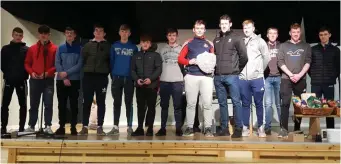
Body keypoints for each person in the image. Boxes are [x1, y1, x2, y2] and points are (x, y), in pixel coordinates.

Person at [178, 20, 215, 137]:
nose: (199, 30)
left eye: (201, 28)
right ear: (194, 30)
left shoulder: (209, 44)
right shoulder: (188, 43)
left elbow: (213, 60)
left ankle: (208, 128)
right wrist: (189, 61)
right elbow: (180, 59)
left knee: (208, 103)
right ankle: (189, 127)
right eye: (197, 28)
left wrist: (210, 68)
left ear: (204, 30)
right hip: (191, 76)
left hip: (206, 78)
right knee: (191, 103)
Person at [213, 15, 248, 138]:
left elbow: (244, 57)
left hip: (232, 76)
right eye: (221, 24)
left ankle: (238, 128)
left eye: (226, 23)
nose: (223, 26)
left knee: (236, 102)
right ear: (219, 25)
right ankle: (224, 128)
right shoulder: (216, 40)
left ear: (230, 24)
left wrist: (237, 69)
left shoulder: (236, 38)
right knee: (222, 103)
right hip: (218, 77)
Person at [277, 23, 311, 138]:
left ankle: (297, 129)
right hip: (286, 79)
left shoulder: (306, 46)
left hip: (301, 79)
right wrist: (291, 75)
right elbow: (280, 62)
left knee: (299, 105)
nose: (295, 34)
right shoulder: (283, 46)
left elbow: (308, 62)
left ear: (300, 33)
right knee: (285, 104)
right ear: (290, 33)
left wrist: (299, 75)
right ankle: (284, 129)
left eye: (297, 32)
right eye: (293, 32)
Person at [24, 25, 57, 134]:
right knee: (34, 104)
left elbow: (56, 65)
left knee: (48, 103)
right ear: (39, 34)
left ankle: (47, 125)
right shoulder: (32, 48)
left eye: (45, 33)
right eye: (41, 33)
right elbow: (27, 63)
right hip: (35, 80)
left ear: (49, 35)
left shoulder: (54, 48)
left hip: (48, 80)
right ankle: (31, 126)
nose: (43, 35)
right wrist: (31, 72)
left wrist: (47, 73)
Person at [239, 20, 270, 138]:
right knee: (245, 104)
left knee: (259, 104)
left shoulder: (260, 41)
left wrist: (259, 70)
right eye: (245, 27)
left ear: (253, 28)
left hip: (257, 78)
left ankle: (261, 127)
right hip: (243, 79)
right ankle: (245, 127)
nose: (247, 29)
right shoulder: (240, 42)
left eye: (249, 27)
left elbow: (266, 57)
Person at [79, 24, 111, 135]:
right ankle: (84, 127)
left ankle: (100, 127)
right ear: (93, 33)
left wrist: (109, 74)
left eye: (100, 31)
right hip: (88, 77)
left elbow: (110, 62)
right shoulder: (87, 45)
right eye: (96, 30)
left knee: (101, 102)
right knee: (86, 102)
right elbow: (82, 60)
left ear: (104, 33)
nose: (98, 33)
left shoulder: (108, 46)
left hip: (102, 77)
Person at [107, 24, 138, 135]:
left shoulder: (134, 47)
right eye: (122, 31)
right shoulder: (114, 46)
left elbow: (135, 65)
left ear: (129, 33)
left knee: (129, 103)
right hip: (117, 78)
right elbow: (111, 62)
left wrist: (133, 77)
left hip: (129, 78)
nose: (124, 33)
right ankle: (115, 127)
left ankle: (129, 126)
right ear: (119, 32)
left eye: (126, 31)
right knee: (117, 102)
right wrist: (113, 75)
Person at [130, 34, 162, 136]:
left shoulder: (156, 55)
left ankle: (150, 129)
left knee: (151, 108)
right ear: (140, 43)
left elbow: (159, 69)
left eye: (147, 42)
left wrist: (151, 79)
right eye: (143, 42)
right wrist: (137, 80)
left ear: (150, 44)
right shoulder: (136, 55)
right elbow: (132, 70)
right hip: (140, 86)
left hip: (152, 87)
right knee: (140, 108)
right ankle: (140, 128)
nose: (145, 44)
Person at [155, 28, 184, 136]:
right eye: (169, 35)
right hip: (164, 81)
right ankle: (163, 128)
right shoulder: (162, 49)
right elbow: (159, 67)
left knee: (178, 106)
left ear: (176, 36)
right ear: (167, 36)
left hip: (177, 81)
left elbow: (184, 66)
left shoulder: (181, 49)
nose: (171, 37)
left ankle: (178, 128)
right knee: (164, 106)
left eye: (173, 35)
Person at [309, 26, 340, 129]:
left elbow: (338, 67)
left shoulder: (335, 50)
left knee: (329, 109)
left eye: (325, 34)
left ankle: (330, 131)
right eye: (321, 35)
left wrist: (331, 77)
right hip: (316, 84)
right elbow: (309, 66)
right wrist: (314, 76)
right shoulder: (313, 49)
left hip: (329, 83)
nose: (323, 37)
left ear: (329, 35)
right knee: (314, 109)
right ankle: (315, 132)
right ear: (319, 36)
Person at [54, 27, 82, 135]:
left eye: (71, 33)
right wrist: (64, 77)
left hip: (74, 80)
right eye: (67, 33)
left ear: (75, 35)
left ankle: (73, 127)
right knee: (62, 104)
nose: (69, 35)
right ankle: (61, 127)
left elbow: (79, 64)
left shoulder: (80, 49)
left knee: (74, 104)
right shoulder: (60, 48)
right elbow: (57, 63)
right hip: (61, 80)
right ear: (65, 34)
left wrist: (67, 73)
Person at [1, 27, 29, 134]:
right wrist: (9, 74)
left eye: (20, 35)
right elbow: (2, 64)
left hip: (22, 81)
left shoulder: (27, 49)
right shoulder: (5, 49)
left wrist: (23, 75)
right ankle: (3, 127)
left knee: (23, 104)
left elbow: (28, 64)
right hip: (8, 80)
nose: (18, 37)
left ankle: (21, 128)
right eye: (16, 35)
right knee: (4, 104)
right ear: (12, 35)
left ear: (22, 37)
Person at [264, 27, 281, 135]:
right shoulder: (263, 45)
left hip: (279, 77)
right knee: (268, 103)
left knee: (279, 104)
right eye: (270, 33)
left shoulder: (281, 46)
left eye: (274, 33)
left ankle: (283, 126)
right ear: (267, 35)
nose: (272, 35)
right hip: (267, 78)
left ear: (277, 35)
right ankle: (267, 127)